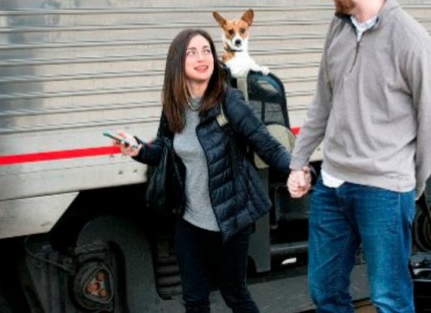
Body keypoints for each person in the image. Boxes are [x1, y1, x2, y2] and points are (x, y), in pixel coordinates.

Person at [285, 0, 431, 313]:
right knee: (325, 291)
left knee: (389, 299)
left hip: (384, 189)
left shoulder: (411, 41)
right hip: (333, 184)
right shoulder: (339, 28)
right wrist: (299, 161)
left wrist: (410, 180)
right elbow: (322, 102)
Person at [114, 28, 299, 313]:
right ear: (178, 63)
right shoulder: (175, 105)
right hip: (189, 219)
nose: (202, 58)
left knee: (234, 295)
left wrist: (296, 170)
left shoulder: (229, 101)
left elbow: (266, 144)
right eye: (191, 53)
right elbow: (164, 150)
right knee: (194, 299)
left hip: (229, 219)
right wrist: (138, 150)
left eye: (205, 50)